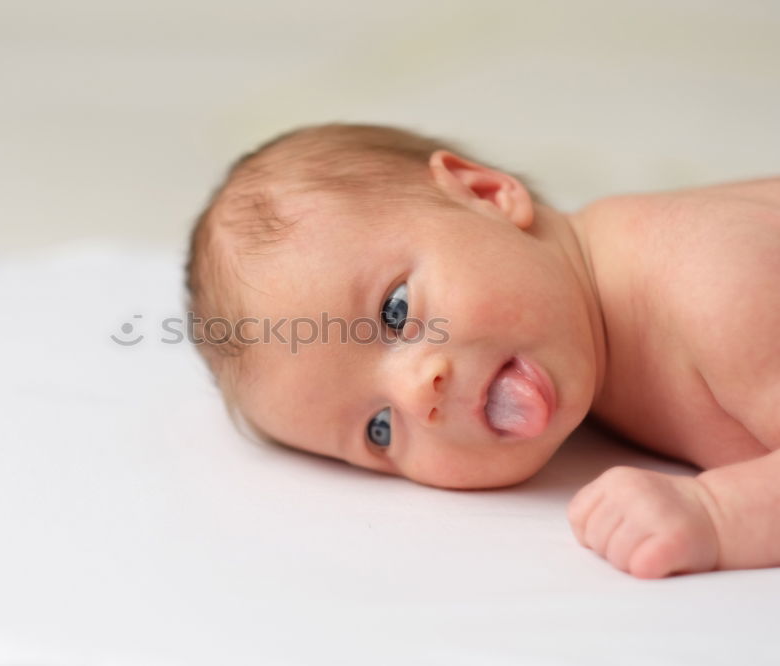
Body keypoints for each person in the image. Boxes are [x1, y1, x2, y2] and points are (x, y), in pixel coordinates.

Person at [184, 122, 780, 579]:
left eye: (396, 312)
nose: (419, 394)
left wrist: (717, 515)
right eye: (381, 430)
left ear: (486, 194)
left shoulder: (720, 285)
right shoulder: (588, 344)